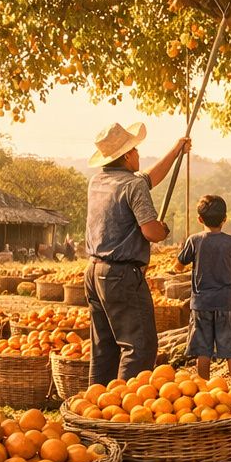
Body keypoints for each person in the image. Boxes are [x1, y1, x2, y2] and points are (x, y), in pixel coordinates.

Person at [84, 122, 189, 385]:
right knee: (140, 347)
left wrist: (177, 150)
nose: (140, 155)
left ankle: (97, 408)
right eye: (137, 150)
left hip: (94, 273)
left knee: (104, 349)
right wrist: (163, 230)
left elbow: (150, 177)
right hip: (121, 276)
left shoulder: (98, 182)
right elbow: (150, 231)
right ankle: (125, 408)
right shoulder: (133, 186)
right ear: (128, 155)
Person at [178, 194, 231, 387]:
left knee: (203, 350)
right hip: (226, 302)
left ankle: (203, 391)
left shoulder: (194, 241)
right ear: (225, 219)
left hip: (201, 303)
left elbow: (179, 264)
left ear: (199, 219)